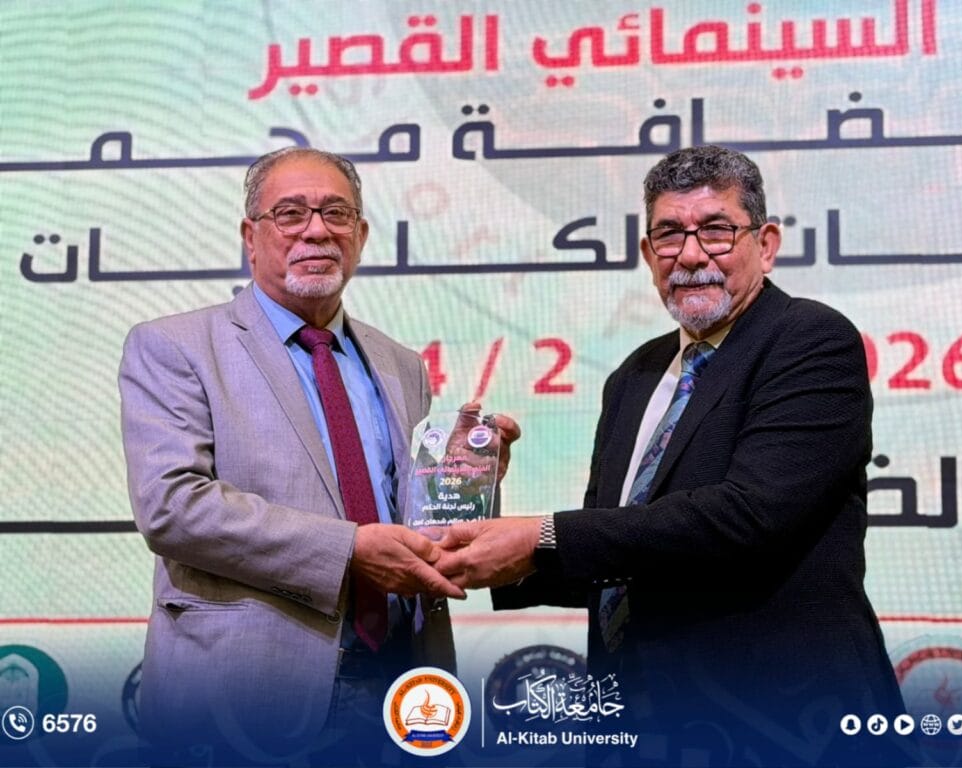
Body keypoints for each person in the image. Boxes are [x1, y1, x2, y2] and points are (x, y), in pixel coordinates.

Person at [437, 146, 909, 766]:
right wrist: (480, 523)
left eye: (716, 230)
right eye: (669, 235)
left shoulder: (808, 339)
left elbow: (748, 517)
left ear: (766, 244)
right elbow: (618, 554)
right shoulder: (633, 376)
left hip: (790, 726)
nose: (689, 255)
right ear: (647, 252)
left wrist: (541, 536)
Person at [118, 146, 518, 764]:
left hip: (402, 683)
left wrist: (460, 486)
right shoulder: (176, 346)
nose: (316, 230)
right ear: (250, 237)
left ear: (360, 236)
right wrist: (349, 550)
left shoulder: (400, 363)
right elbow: (173, 507)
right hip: (244, 692)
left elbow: (406, 522)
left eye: (336, 213)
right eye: (290, 213)